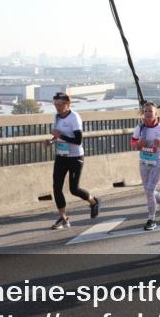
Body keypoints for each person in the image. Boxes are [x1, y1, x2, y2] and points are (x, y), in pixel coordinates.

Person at [47, 92, 99, 229]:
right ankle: (64, 218)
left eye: (60, 104)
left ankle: (93, 202)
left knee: (74, 189)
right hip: (61, 156)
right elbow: (58, 135)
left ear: (68, 104)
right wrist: (51, 141)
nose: (57, 107)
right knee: (56, 187)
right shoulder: (57, 117)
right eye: (55, 104)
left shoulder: (74, 117)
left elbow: (78, 140)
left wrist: (61, 136)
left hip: (75, 157)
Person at [131, 102, 160, 230]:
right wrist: (139, 143)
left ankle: (151, 219)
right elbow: (133, 143)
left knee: (150, 190)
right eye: (146, 111)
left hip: (158, 163)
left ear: (156, 114)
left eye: (151, 111)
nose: (148, 113)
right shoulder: (140, 128)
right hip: (144, 163)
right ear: (143, 114)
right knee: (148, 191)